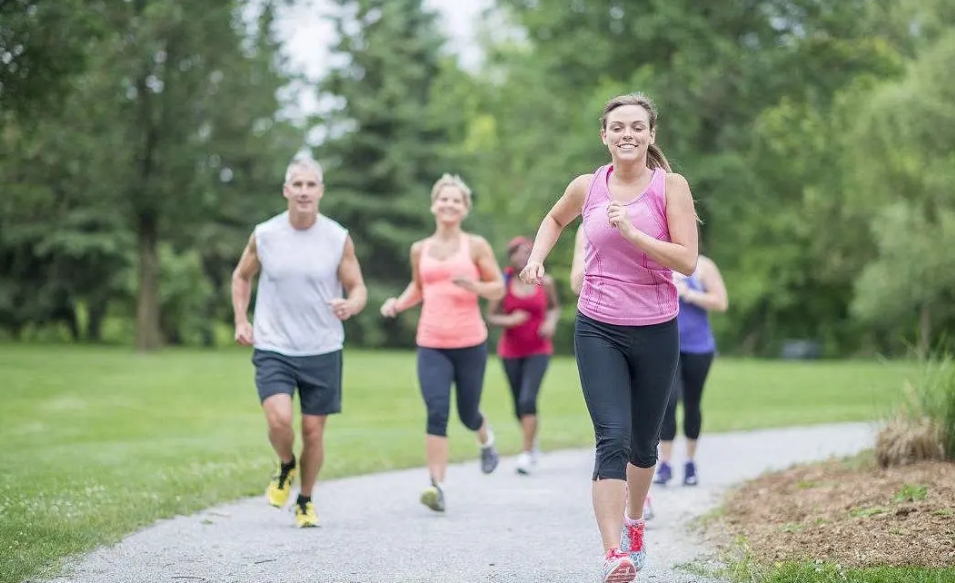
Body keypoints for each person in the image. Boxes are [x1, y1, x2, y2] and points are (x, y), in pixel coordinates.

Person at [520, 92, 699, 583]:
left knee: (644, 444)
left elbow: (687, 260)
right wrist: (537, 258)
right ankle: (612, 552)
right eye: (617, 127)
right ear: (604, 135)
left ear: (651, 134)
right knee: (612, 437)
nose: (627, 134)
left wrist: (634, 234)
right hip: (598, 326)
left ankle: (635, 520)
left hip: (657, 328)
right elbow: (554, 219)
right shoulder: (587, 186)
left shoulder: (671, 187)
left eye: (637, 127)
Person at [231, 156, 367, 528]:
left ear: (321, 191)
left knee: (312, 431)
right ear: (286, 191)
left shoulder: (337, 237)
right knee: (279, 420)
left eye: (311, 185)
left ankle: (305, 500)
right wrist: (241, 319)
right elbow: (241, 276)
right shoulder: (266, 234)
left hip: (322, 347)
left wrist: (352, 304)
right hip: (274, 345)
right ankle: (286, 464)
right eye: (298, 184)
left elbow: (358, 287)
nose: (304, 191)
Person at [380, 173, 505, 513]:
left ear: (465, 208)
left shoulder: (475, 245)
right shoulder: (419, 249)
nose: (449, 204)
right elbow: (419, 288)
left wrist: (475, 286)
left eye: (456, 200)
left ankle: (485, 438)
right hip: (432, 342)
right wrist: (397, 304)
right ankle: (437, 487)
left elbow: (498, 287)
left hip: (470, 342)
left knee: (467, 413)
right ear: (434, 205)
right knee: (437, 411)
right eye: (443, 199)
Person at [571, 224, 655, 521]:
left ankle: (639, 496)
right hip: (603, 329)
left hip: (649, 328)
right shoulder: (589, 225)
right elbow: (576, 283)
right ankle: (621, 506)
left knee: (643, 433)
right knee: (614, 430)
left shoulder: (654, 215)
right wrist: (601, 264)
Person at [486, 235, 559, 475]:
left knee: (528, 399)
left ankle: (526, 453)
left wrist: (550, 323)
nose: (522, 257)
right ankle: (532, 440)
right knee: (518, 403)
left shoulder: (545, 282)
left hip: (539, 349)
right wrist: (509, 320)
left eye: (527, 252)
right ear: (510, 257)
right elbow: (491, 316)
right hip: (510, 351)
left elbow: (554, 308)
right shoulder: (503, 283)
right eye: (517, 253)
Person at [654, 255, 727, 487]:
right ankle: (665, 463)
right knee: (668, 401)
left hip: (698, 347)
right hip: (667, 345)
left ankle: (690, 462)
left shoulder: (703, 265)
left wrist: (689, 294)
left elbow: (721, 302)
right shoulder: (659, 258)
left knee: (692, 403)